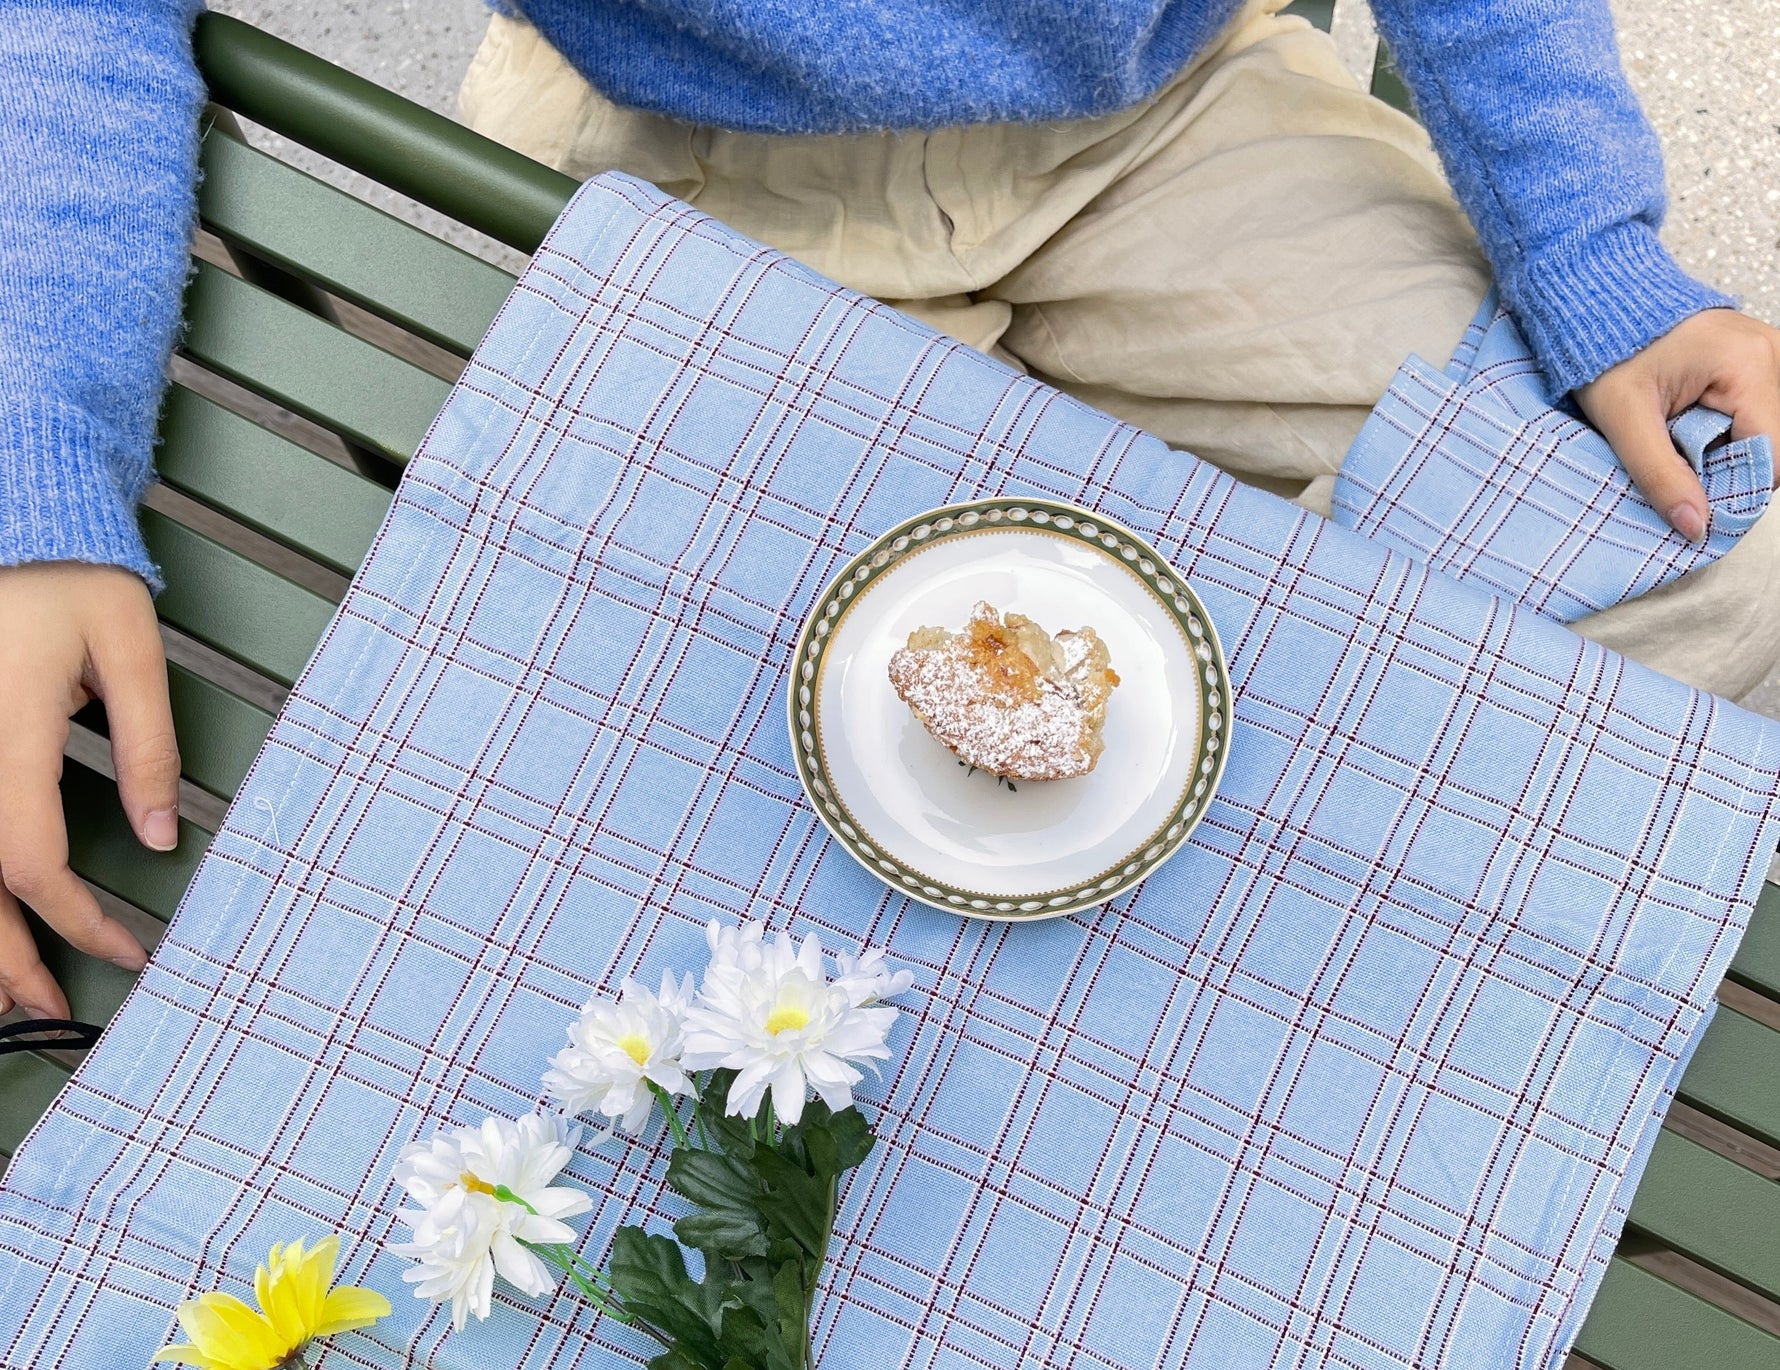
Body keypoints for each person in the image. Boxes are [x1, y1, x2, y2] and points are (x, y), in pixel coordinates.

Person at [2, 0, 1779, 1030]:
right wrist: (36, 467)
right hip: (686, 147)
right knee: (695, 918)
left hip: (1168, 108)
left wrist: (1592, 247)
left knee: (1722, 562)